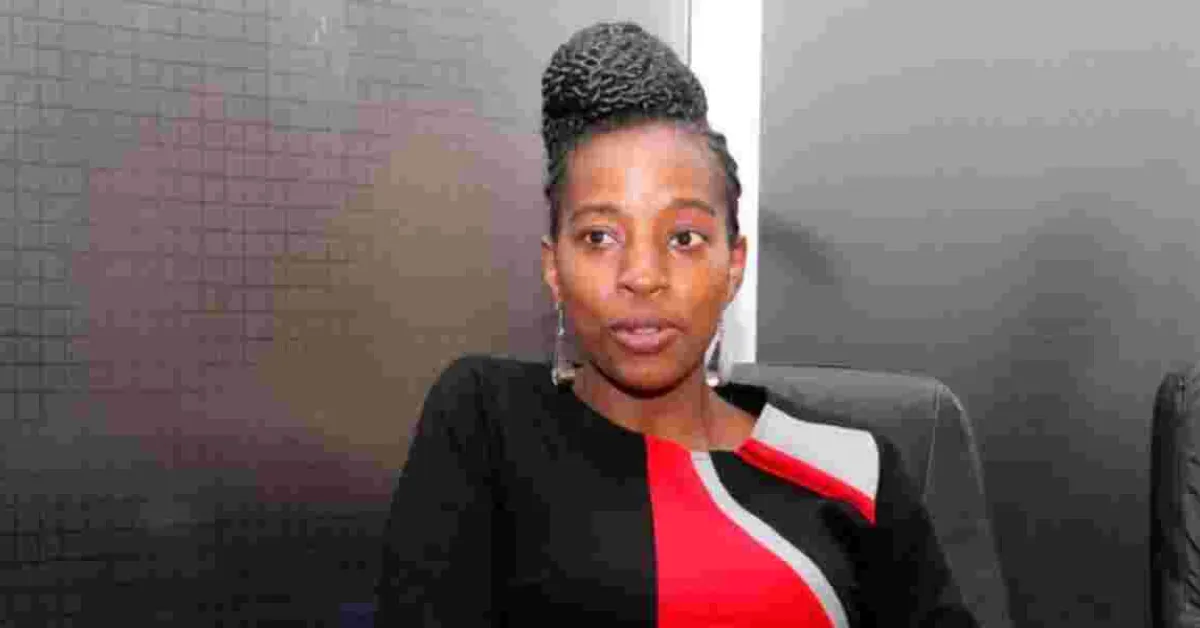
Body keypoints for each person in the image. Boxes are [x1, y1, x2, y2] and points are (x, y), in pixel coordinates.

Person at [375, 21, 979, 627]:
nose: (642, 276)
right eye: (600, 237)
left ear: (733, 265)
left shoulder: (856, 467)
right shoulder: (485, 422)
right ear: (553, 267)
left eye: (684, 238)